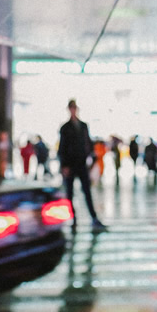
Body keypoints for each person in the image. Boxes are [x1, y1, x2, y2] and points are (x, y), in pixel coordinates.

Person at [58, 99, 107, 231]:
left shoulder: (83, 126)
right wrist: (64, 165)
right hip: (70, 164)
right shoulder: (65, 128)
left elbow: (87, 143)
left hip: (81, 164)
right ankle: (74, 219)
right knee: (70, 193)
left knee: (87, 192)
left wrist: (92, 156)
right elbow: (62, 147)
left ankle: (93, 218)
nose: (73, 110)